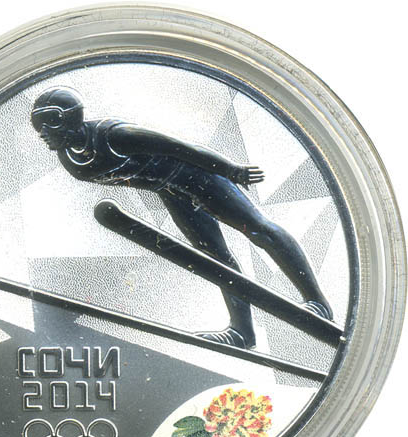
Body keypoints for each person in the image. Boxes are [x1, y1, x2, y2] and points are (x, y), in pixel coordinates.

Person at [31, 86, 332, 349]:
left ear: (72, 117)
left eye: (51, 120)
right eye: (37, 124)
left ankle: (317, 303)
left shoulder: (114, 136)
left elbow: (181, 147)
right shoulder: (73, 161)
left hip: (198, 177)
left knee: (257, 230)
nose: (43, 132)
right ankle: (242, 333)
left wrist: (231, 170)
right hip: (171, 191)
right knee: (213, 259)